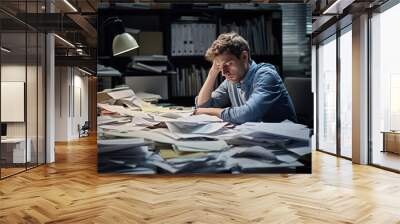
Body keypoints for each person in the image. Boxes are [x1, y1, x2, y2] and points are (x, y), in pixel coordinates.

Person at [194, 32, 297, 124]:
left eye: (228, 64)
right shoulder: (231, 80)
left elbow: (248, 115)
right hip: (257, 140)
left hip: (287, 142)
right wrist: (212, 73)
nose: (224, 73)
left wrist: (210, 111)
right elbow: (203, 106)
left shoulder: (266, 75)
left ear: (244, 57)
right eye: (220, 66)